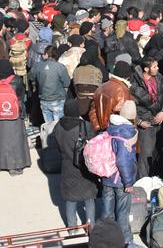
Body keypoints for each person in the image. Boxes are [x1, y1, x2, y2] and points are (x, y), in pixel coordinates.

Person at [52, 99, 97, 231]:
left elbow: (57, 146)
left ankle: (72, 227)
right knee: (89, 197)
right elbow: (93, 145)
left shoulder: (58, 127)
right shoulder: (85, 126)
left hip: (67, 167)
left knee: (70, 198)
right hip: (84, 167)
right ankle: (90, 225)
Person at [100, 100, 138, 246]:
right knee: (122, 213)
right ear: (133, 116)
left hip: (107, 175)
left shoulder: (111, 127)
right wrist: (128, 182)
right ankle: (126, 241)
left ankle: (105, 238)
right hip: (121, 179)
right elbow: (123, 161)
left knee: (107, 212)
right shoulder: (128, 132)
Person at [128, 55, 163, 178]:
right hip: (145, 123)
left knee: (159, 151)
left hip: (159, 120)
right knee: (145, 154)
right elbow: (130, 106)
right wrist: (139, 121)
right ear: (146, 69)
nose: (157, 68)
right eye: (154, 66)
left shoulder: (159, 78)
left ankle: (158, 179)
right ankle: (144, 182)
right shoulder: (134, 82)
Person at [0, 59, 30, 176]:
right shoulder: (18, 81)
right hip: (15, 116)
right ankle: (14, 167)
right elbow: (21, 97)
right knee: (15, 140)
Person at [88, 60, 134, 131]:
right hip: (116, 133)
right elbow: (124, 118)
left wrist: (98, 127)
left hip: (101, 131)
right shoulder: (123, 91)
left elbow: (93, 110)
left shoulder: (101, 87)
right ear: (128, 77)